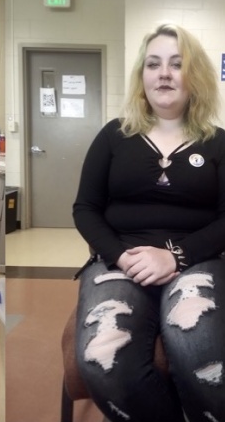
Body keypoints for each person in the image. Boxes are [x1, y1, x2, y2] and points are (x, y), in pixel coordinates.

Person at [72, 23, 225, 422]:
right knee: (101, 357)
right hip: (121, 259)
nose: (164, 73)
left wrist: (175, 256)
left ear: (195, 77)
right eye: (153, 64)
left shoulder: (219, 143)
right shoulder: (113, 137)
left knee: (199, 351)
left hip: (196, 260)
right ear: (142, 76)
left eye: (177, 64)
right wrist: (122, 257)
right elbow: (85, 208)